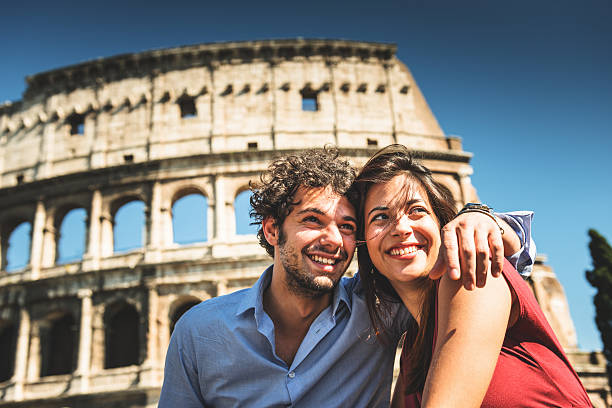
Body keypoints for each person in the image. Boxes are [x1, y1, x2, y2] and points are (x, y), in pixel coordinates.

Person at [158, 147, 534, 407]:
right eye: (312, 221)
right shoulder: (199, 331)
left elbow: (450, 263)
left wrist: (480, 216)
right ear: (272, 231)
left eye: (347, 226)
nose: (334, 240)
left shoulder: (381, 306)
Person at [353, 144, 590, 407]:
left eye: (416, 210)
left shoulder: (474, 273)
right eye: (380, 217)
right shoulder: (411, 347)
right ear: (363, 244)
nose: (401, 228)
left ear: (445, 225)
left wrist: (482, 214)